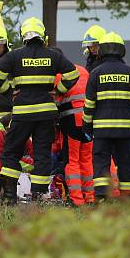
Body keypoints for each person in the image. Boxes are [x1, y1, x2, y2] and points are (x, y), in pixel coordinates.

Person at [0, 17, 79, 205]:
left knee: (11, 152)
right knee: (42, 154)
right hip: (46, 113)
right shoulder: (53, 55)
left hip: (22, 113)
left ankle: (10, 196)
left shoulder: (15, 55)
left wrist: (9, 91)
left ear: (24, 36)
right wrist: (57, 91)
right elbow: (73, 74)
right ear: (42, 35)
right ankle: (38, 196)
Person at [82, 32, 130, 200]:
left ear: (101, 50)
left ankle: (102, 196)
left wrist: (87, 127)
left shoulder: (95, 74)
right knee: (125, 162)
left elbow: (89, 105)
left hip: (101, 130)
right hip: (124, 130)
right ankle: (129, 196)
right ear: (122, 50)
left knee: (101, 162)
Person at [54, 61, 93, 206]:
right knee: (87, 159)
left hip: (72, 122)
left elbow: (55, 102)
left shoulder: (58, 74)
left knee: (72, 161)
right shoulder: (83, 70)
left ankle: (76, 199)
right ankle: (90, 197)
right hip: (89, 120)